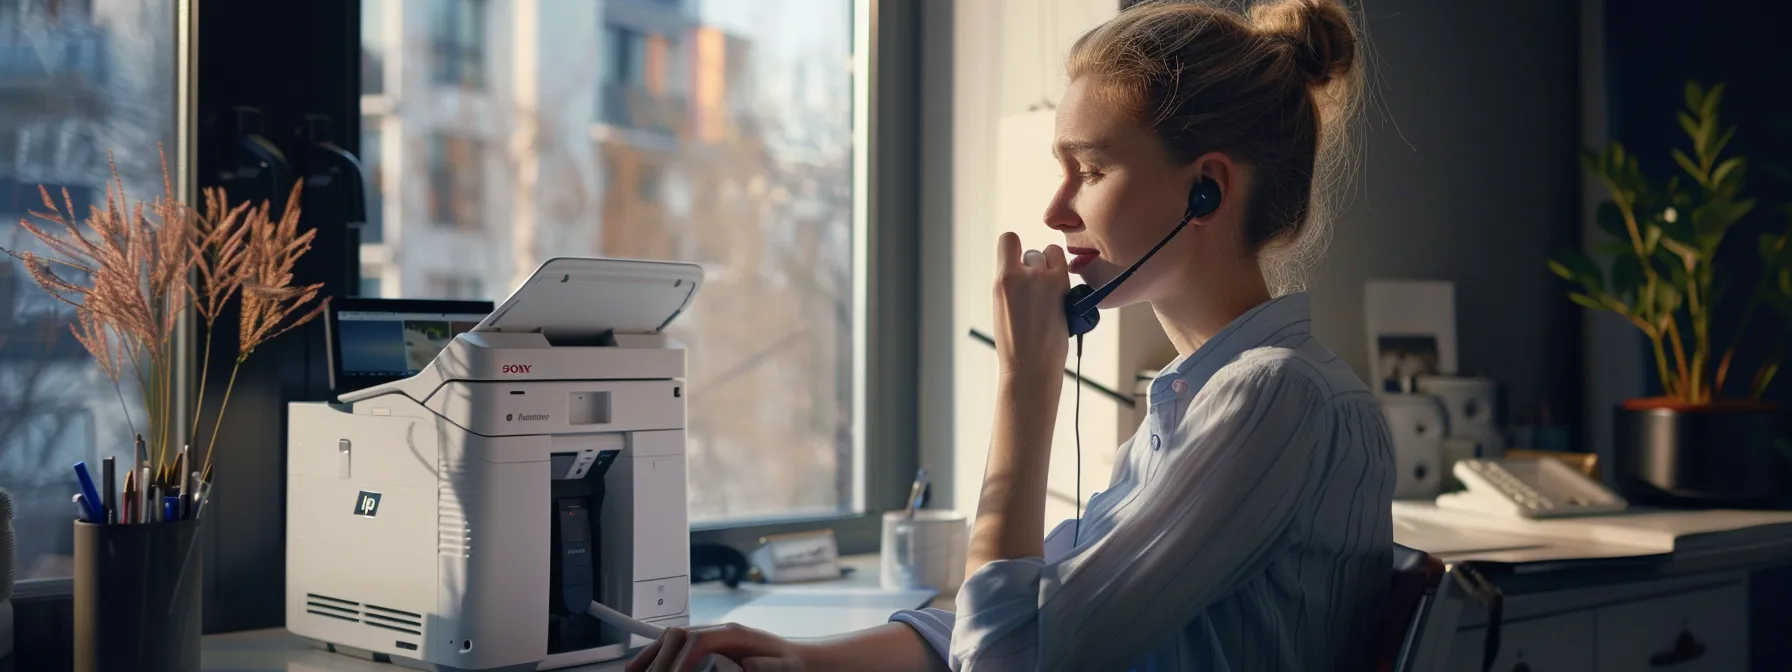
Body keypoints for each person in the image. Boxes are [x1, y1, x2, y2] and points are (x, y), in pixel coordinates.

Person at [628, 0, 1392, 669]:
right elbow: (1012, 613)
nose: (1056, 210)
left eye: (1088, 170)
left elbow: (1008, 658)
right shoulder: (1194, 400)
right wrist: (806, 659)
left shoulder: (1271, 397)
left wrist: (1027, 385)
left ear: (1207, 190)